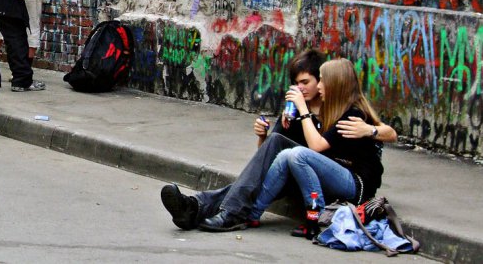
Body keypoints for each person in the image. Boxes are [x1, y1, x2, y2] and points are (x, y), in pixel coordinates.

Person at [162, 50, 397, 232]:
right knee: (276, 145)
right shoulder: (295, 113)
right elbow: (264, 163)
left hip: (348, 183)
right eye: (296, 83)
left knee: (292, 154)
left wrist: (371, 131)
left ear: (324, 83)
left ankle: (224, 211)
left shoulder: (342, 111)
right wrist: (262, 137)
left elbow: (387, 133)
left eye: (307, 82)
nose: (299, 88)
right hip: (302, 175)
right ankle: (194, 208)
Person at [246, 59, 389, 230]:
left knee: (298, 154)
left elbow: (316, 146)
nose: (319, 86)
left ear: (335, 84)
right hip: (337, 176)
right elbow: (268, 157)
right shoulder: (332, 110)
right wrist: (263, 136)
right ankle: (251, 214)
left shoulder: (352, 114)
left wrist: (303, 110)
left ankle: (317, 217)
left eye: (322, 80)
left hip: (356, 185)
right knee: (286, 155)